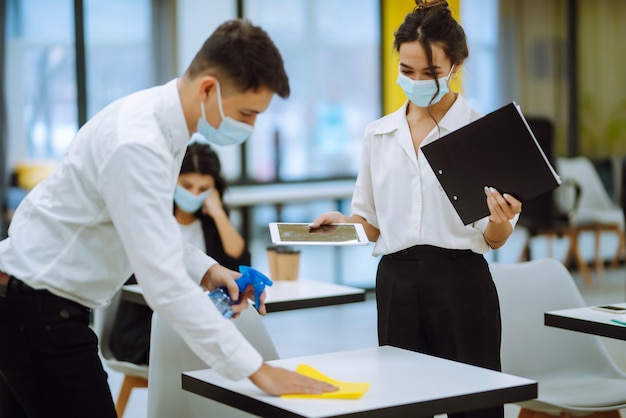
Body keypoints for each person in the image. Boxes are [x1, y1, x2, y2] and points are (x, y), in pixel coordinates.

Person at [0, 19, 336, 418]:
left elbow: (149, 230)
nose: (251, 127)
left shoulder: (162, 128)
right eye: (247, 113)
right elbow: (163, 283)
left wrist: (209, 269)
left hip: (29, 301)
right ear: (209, 88)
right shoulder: (138, 142)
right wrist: (258, 370)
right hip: (37, 309)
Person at [309, 2, 521, 418]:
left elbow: (494, 238)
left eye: (431, 72)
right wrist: (341, 224)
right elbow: (370, 224)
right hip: (396, 284)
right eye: (408, 71)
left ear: (455, 65)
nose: (418, 81)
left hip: (462, 282)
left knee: (473, 404)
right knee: (402, 404)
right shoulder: (379, 133)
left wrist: (499, 221)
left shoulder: (482, 132)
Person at [109, 140, 251, 365]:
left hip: (196, 325)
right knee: (224, 355)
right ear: (171, 181)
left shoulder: (210, 224)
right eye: (187, 186)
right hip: (146, 330)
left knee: (236, 348)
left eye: (203, 189)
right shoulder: (154, 218)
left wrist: (218, 212)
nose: (194, 194)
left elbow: (240, 262)